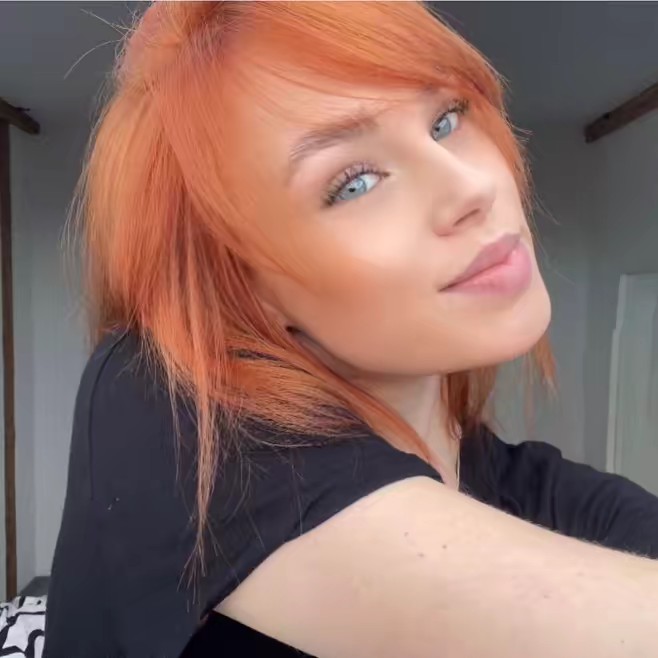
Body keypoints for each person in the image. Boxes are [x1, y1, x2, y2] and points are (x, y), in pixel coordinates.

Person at [44, 2, 658, 657]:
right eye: (355, 182)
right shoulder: (158, 396)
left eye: (446, 120)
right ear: (243, 289)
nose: (473, 187)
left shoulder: (541, 497)